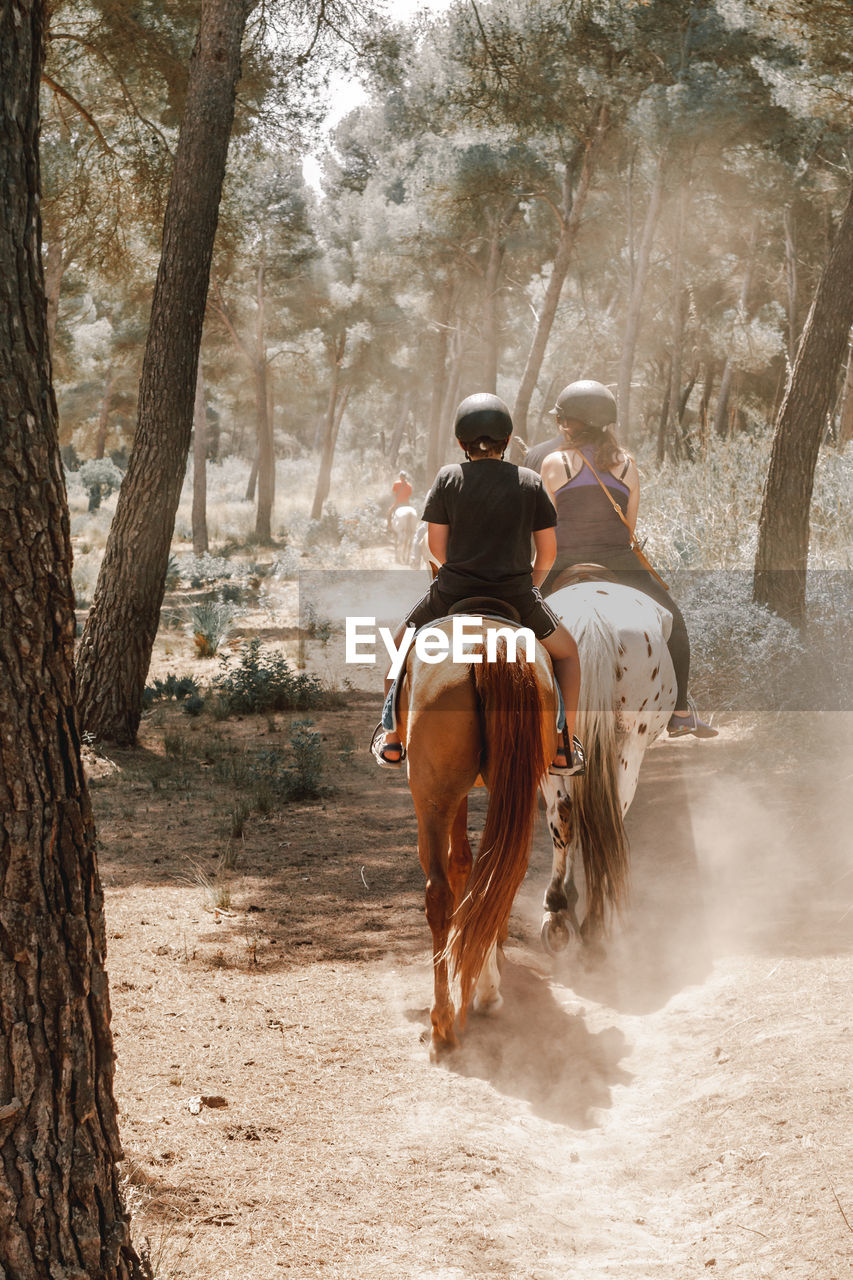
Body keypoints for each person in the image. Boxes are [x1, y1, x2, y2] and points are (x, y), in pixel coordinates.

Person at [373, 393, 584, 775]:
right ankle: (563, 743)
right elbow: (548, 554)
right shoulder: (530, 481)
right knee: (568, 656)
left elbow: (436, 547)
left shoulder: (448, 478)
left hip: (452, 592)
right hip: (516, 596)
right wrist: (529, 583)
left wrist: (459, 571)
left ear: (460, 442)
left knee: (399, 647)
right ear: (507, 440)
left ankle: (391, 736)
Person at [539, 379, 717, 739]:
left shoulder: (555, 463)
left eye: (562, 421)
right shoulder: (626, 465)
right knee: (676, 624)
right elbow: (630, 528)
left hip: (563, 559)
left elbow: (545, 525)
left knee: (515, 626)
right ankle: (680, 711)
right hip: (620, 562)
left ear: (570, 423)